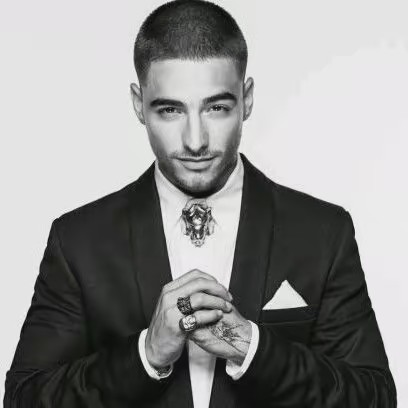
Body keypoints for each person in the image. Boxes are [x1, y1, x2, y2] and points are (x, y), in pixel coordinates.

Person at [4, 0, 397, 407]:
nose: (196, 141)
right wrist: (145, 356)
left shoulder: (322, 233)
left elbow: (375, 398)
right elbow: (23, 399)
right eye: (170, 110)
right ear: (139, 104)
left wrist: (253, 349)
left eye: (217, 108)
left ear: (247, 99)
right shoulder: (79, 241)